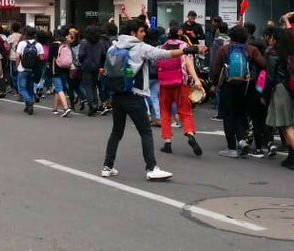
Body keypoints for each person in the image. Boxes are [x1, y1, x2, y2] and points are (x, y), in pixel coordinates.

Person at [101, 19, 205, 182]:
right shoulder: (140, 47)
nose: (144, 34)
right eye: (142, 31)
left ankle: (107, 166)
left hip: (117, 95)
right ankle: (152, 168)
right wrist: (189, 50)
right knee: (146, 132)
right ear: (133, 33)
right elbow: (164, 54)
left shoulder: (114, 46)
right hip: (135, 95)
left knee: (116, 131)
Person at [211, 25, 266, 158]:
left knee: (229, 115)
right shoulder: (251, 49)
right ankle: (242, 140)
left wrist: (214, 84)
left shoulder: (224, 49)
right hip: (247, 86)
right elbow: (264, 65)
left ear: (231, 36)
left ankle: (232, 146)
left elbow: (216, 68)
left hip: (228, 86)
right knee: (241, 114)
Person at [157, 25, 204, 156]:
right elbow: (189, 64)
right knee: (186, 111)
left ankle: (167, 141)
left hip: (165, 84)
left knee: (165, 112)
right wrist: (197, 80)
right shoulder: (184, 46)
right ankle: (189, 133)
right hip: (181, 83)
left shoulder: (162, 47)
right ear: (180, 34)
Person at [263, 27, 294, 169]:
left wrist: (264, 94)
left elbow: (269, 77)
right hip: (289, 88)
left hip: (280, 88)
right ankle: (291, 155)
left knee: (286, 124)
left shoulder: (273, 53)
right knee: (284, 123)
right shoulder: (289, 52)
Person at [16, 27, 44, 115]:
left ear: (26, 34)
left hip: (22, 68)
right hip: (33, 69)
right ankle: (28, 105)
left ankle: (28, 101)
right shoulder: (38, 45)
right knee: (30, 87)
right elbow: (42, 57)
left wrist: (17, 65)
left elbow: (17, 56)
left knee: (22, 88)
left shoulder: (21, 44)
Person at [79, 26, 107, 116]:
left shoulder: (84, 42)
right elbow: (103, 55)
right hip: (97, 65)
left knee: (87, 85)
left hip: (86, 66)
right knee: (94, 85)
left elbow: (81, 55)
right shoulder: (100, 42)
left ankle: (92, 104)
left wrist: (82, 62)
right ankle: (95, 102)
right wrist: (101, 66)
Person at [48, 28, 74, 118]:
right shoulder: (66, 45)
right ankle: (55, 108)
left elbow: (49, 59)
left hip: (56, 69)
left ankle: (66, 108)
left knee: (59, 88)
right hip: (65, 69)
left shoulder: (54, 45)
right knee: (62, 88)